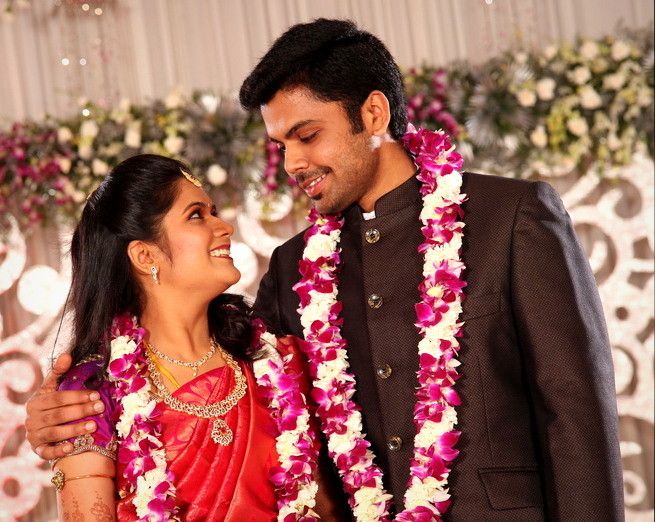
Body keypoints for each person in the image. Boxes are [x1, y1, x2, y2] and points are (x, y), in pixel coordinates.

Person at [27, 18, 624, 521]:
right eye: (280, 143)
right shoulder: (292, 270)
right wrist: (57, 418)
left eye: (307, 136)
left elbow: (576, 411)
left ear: (372, 114)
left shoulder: (510, 216)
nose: (291, 162)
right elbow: (232, 375)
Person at [35, 154, 339, 520]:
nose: (224, 226)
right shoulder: (93, 391)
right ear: (145, 254)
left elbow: (323, 509)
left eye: (213, 211)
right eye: (197, 215)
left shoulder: (274, 360)